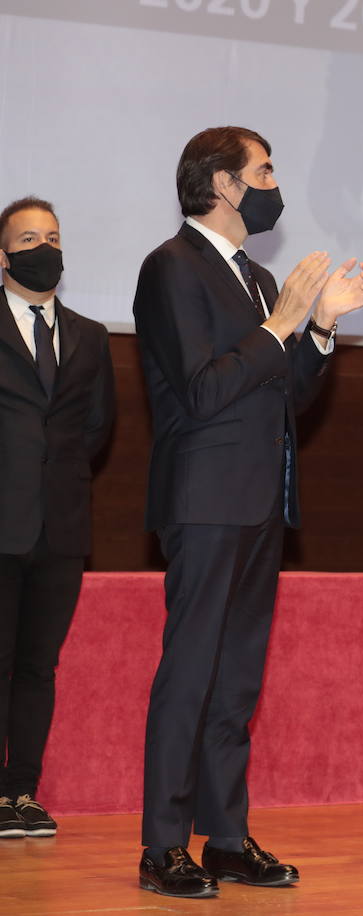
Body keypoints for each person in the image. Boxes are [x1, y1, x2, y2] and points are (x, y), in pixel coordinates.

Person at [134, 126, 363, 898]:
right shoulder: (170, 267)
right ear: (224, 184)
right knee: (191, 672)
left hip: (261, 500)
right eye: (264, 170)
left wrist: (321, 328)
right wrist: (281, 327)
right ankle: (162, 845)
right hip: (204, 500)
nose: (276, 184)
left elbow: (288, 397)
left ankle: (227, 837)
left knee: (237, 677)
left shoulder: (260, 281)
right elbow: (203, 391)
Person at [0, 197, 114, 840]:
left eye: (52, 236)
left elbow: (97, 427)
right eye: (27, 239)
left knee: (38, 666)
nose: (42, 248)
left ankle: (22, 794)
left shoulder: (92, 336)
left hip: (62, 528)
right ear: (3, 256)